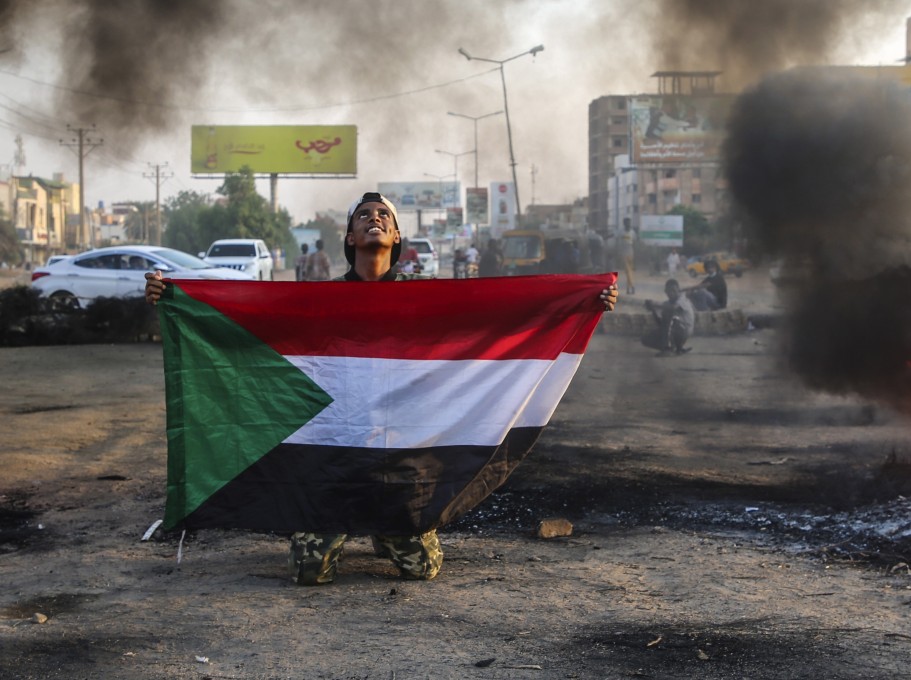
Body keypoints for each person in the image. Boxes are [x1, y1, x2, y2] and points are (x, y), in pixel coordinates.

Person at [144, 191, 618, 586]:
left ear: (395, 237)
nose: (375, 219)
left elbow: (503, 316)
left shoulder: (423, 299)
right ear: (350, 237)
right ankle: (336, 527)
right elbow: (249, 322)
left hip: (401, 464)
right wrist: (175, 300)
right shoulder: (322, 302)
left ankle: (386, 528)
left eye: (384, 215)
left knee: (422, 570)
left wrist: (584, 303)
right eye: (364, 216)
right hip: (329, 464)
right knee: (309, 575)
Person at [643, 279, 695, 356]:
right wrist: (653, 310)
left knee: (670, 317)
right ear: (666, 292)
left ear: (678, 290)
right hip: (676, 330)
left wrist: (655, 304)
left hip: (684, 330)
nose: (671, 293)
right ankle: (676, 348)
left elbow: (674, 308)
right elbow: (662, 324)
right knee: (646, 339)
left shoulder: (682, 298)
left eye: (673, 290)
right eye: (669, 291)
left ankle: (669, 349)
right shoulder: (668, 303)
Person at [617, 219, 635, 294]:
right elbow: (615, 238)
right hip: (624, 252)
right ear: (624, 224)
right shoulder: (621, 232)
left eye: (629, 223)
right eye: (627, 223)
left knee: (628, 271)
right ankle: (629, 287)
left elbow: (634, 243)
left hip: (630, 252)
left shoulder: (632, 232)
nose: (628, 225)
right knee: (628, 271)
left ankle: (630, 287)